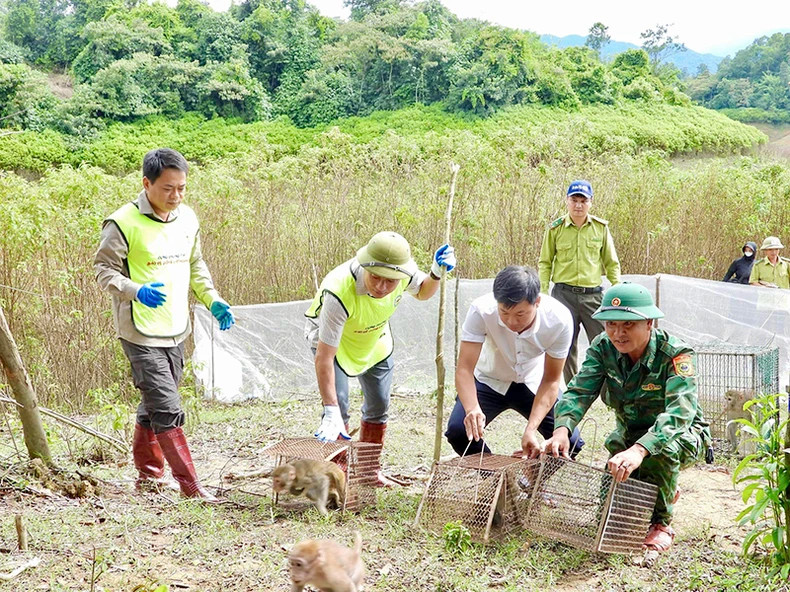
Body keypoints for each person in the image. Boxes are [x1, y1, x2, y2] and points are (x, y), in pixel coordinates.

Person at [95, 148, 235, 502]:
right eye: (168, 189)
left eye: (182, 188)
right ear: (147, 183)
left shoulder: (187, 219)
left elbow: (196, 264)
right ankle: (190, 487)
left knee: (154, 403)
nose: (176, 196)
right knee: (168, 406)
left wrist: (213, 299)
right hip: (140, 330)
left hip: (176, 326)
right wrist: (135, 290)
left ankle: (149, 477)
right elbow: (103, 271)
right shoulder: (122, 222)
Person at [543, 283, 712, 552]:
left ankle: (661, 523)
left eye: (627, 325)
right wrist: (562, 429)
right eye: (610, 324)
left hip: (680, 435)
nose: (618, 333)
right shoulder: (603, 347)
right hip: (628, 433)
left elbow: (680, 413)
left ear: (648, 323)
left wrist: (639, 450)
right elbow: (579, 391)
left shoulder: (676, 354)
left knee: (661, 451)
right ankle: (657, 488)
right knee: (613, 517)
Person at [305, 232, 455, 486]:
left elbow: (423, 292)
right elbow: (324, 357)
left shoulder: (402, 273)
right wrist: (330, 409)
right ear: (365, 266)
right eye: (375, 277)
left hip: (375, 340)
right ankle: (338, 477)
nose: (382, 287)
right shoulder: (338, 291)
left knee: (379, 404)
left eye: (391, 282)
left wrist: (436, 272)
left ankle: (368, 472)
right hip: (336, 346)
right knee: (338, 406)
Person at [445, 266, 584, 458]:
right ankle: (497, 479)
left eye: (520, 314)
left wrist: (530, 429)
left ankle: (530, 480)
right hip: (489, 380)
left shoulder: (559, 320)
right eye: (504, 312)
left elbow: (551, 380)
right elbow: (464, 370)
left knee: (569, 440)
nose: (511, 321)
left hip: (533, 382)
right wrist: (472, 408)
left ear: (537, 302)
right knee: (459, 432)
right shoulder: (481, 310)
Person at [538, 180, 620, 386]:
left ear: (591, 203)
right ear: (567, 201)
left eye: (583, 201)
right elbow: (545, 262)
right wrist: (543, 292)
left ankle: (607, 388)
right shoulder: (555, 229)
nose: (578, 205)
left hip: (593, 295)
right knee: (565, 346)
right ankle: (573, 391)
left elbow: (611, 262)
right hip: (563, 295)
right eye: (574, 200)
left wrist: (617, 289)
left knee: (605, 343)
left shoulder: (600, 228)